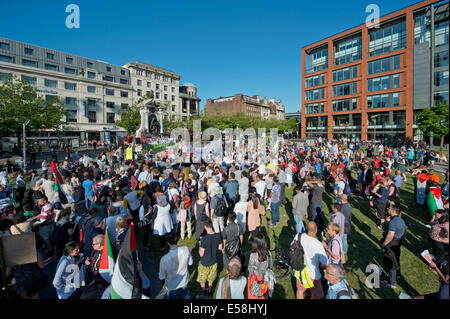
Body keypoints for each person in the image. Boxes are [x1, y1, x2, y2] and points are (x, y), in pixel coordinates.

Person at [291, 221, 328, 299]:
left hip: (300, 270)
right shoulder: (318, 244)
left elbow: (292, 247)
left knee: (300, 290)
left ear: (306, 228)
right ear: (316, 231)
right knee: (317, 295)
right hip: (313, 274)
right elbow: (325, 262)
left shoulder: (298, 236)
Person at [159, 233, 193, 299]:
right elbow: (190, 263)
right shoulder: (185, 249)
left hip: (171, 285)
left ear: (168, 243)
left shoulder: (164, 259)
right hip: (183, 280)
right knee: (186, 296)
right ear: (177, 240)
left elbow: (161, 276)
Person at [380, 205, 406, 289]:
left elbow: (390, 236)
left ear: (394, 211)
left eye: (390, 208)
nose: (388, 209)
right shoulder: (399, 220)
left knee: (391, 263)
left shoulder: (393, 222)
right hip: (397, 244)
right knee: (395, 260)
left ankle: (391, 282)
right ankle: (397, 275)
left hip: (391, 244)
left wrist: (384, 244)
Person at [197, 219, 222, 299]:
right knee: (210, 279)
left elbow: (201, 254)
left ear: (205, 226)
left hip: (204, 263)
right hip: (214, 261)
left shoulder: (204, 239)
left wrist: (200, 245)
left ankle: (204, 293)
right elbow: (220, 248)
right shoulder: (218, 235)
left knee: (202, 279)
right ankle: (209, 293)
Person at [246, 232, 272, 299]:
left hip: (254, 278)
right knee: (263, 294)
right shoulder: (268, 254)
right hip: (264, 278)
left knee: (252, 295)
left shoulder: (253, 256)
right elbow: (270, 267)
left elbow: (250, 270)